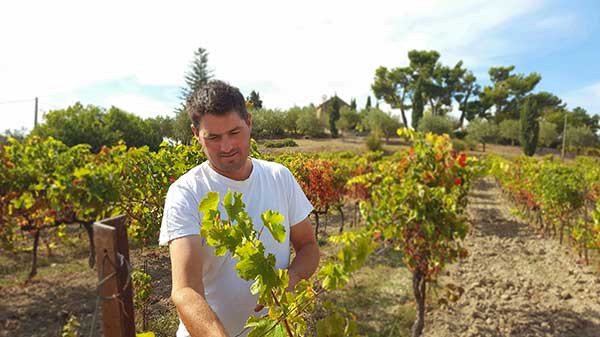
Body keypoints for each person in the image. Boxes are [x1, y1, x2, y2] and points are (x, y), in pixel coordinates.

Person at [159, 80, 320, 337]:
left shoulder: (280, 177)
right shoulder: (186, 192)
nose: (227, 147)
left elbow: (308, 247)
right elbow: (185, 290)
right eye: (213, 137)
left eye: (235, 132)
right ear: (195, 135)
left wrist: (292, 278)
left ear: (250, 123)